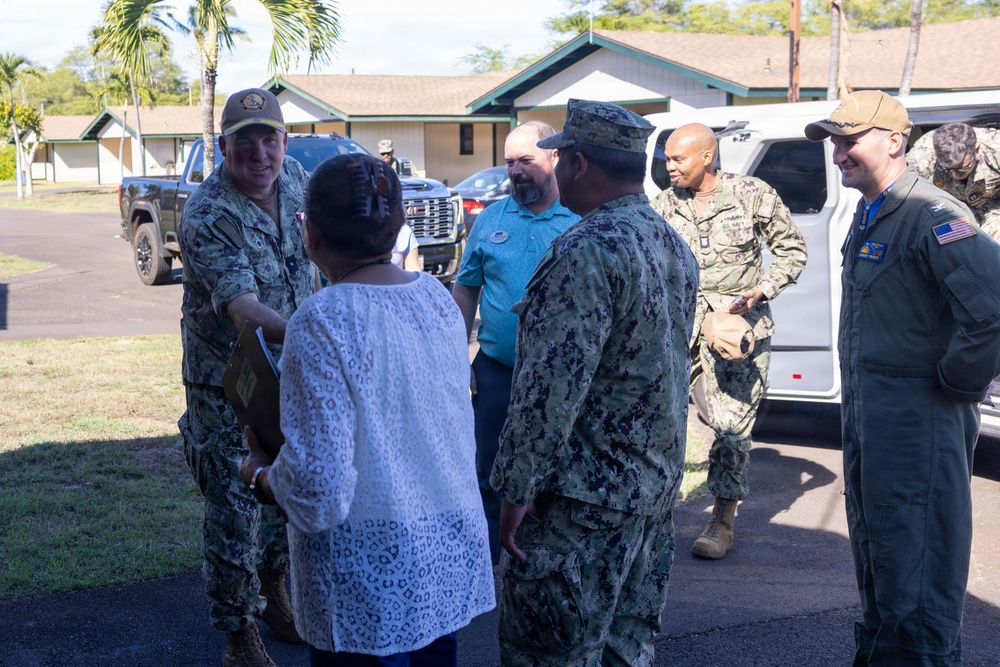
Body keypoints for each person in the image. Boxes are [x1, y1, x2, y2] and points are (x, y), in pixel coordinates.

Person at [238, 153, 495, 666]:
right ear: (400, 225)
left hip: (366, 583)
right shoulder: (438, 300)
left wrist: (259, 475)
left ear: (310, 233)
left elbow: (317, 489)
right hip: (444, 560)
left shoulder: (323, 319)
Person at [490, 99, 699, 665]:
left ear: (578, 165)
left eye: (559, 159)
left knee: (550, 653)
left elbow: (549, 393)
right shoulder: (670, 243)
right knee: (624, 650)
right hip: (648, 494)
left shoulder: (587, 249)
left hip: (582, 504)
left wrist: (517, 490)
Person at [805, 90, 1000, 665]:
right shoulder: (872, 211)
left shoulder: (932, 214)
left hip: (919, 429)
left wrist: (956, 387)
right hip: (874, 425)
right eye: (835, 142)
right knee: (883, 559)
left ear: (896, 140)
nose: (839, 153)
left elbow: (992, 311)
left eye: (850, 140)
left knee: (918, 571)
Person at [178, 87, 316, 667]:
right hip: (228, 386)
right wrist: (325, 336)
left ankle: (275, 595)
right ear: (223, 146)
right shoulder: (208, 214)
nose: (259, 154)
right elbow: (244, 310)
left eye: (269, 139)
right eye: (244, 142)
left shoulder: (299, 182)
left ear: (285, 141)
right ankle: (239, 633)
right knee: (235, 504)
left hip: (292, 377)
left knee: (284, 491)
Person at [651, 123, 807, 560]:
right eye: (667, 159)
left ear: (706, 157)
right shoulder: (662, 205)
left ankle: (721, 518)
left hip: (735, 329)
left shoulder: (752, 194)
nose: (670, 167)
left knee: (731, 428)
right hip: (677, 327)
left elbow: (792, 250)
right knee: (661, 420)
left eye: (677, 159)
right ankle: (656, 513)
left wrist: (763, 289)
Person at [451, 120, 578, 564]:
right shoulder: (491, 219)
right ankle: (483, 569)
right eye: (509, 162)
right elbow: (466, 287)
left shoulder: (583, 219)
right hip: (496, 371)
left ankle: (545, 564)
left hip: (563, 380)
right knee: (486, 472)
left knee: (555, 475)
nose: (516, 172)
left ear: (555, 157)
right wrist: (458, 354)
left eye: (527, 160)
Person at [906, 122, 1000, 240]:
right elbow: (902, 191)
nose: (956, 175)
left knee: (993, 248)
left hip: (993, 207)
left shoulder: (996, 147)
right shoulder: (922, 155)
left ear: (976, 150)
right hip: (949, 211)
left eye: (962, 167)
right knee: (945, 250)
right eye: (947, 169)